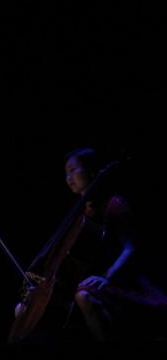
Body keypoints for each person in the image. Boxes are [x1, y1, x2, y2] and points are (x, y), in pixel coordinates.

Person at [16, 147, 163, 345]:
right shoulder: (79, 213)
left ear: (92, 171)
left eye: (73, 170)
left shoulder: (114, 204)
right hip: (82, 280)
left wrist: (106, 276)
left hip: (119, 280)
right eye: (66, 173)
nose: (68, 177)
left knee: (84, 296)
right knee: (21, 309)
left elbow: (130, 248)